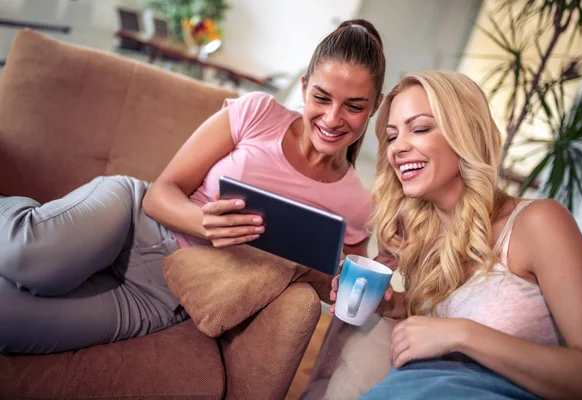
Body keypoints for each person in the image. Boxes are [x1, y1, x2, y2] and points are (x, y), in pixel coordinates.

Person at [0, 19, 386, 354]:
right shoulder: (257, 112)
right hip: (131, 221)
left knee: (8, 322)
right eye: (321, 97)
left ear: (374, 107)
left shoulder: (355, 202)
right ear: (304, 88)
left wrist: (364, 289)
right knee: (27, 258)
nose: (333, 119)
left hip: (163, 294)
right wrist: (204, 223)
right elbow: (162, 191)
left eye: (353, 106)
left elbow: (337, 284)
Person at [332, 71, 582, 399]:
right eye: (391, 136)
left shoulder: (538, 223)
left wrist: (463, 334)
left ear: (465, 134)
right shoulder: (423, 234)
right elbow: (442, 318)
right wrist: (392, 305)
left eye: (419, 128)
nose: (398, 148)